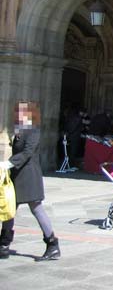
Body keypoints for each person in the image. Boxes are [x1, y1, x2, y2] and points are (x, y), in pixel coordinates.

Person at [0, 101, 60, 261]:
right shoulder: (21, 130)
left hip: (29, 176)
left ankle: (52, 244)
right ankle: (4, 245)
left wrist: (8, 163)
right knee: (9, 209)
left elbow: (27, 152)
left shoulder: (33, 131)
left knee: (37, 209)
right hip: (17, 176)